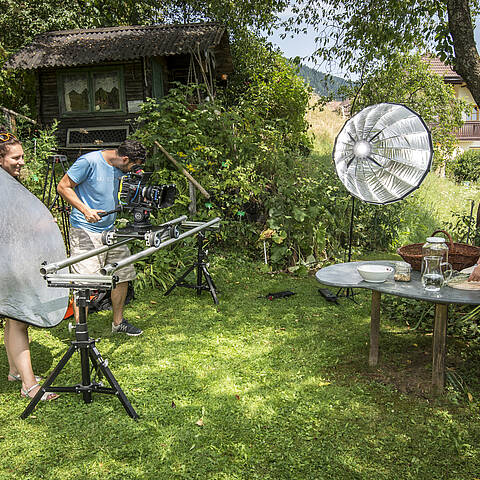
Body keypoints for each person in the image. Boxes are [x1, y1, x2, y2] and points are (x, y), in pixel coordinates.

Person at [57, 139, 146, 336]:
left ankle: (118, 322)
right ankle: (82, 333)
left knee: (122, 274)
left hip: (110, 229)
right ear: (124, 158)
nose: (132, 170)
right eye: (133, 165)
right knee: (85, 283)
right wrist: (85, 209)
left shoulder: (120, 168)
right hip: (85, 229)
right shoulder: (88, 162)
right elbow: (63, 186)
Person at [0, 128, 58, 401]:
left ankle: (14, 371)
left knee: (11, 319)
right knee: (20, 319)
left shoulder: (8, 185)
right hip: (9, 265)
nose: (22, 162)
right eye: (16, 158)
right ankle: (30, 385)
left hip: (11, 262)